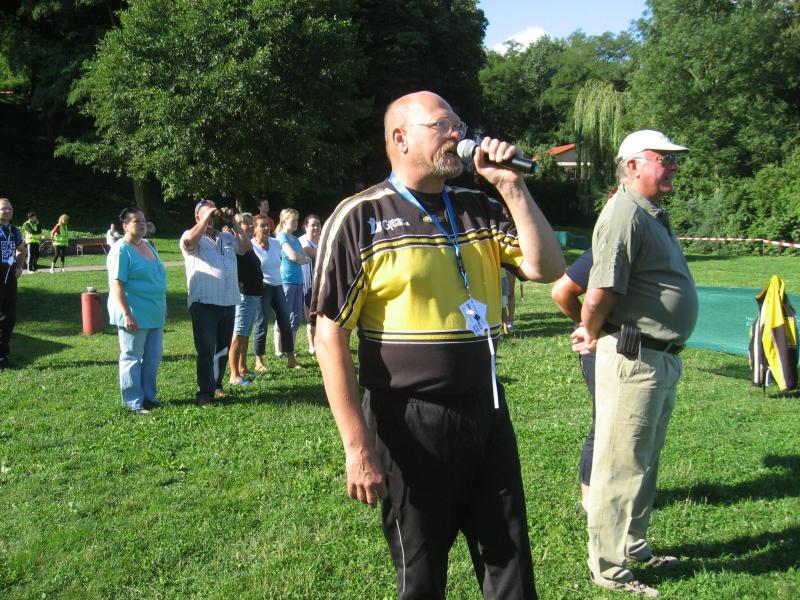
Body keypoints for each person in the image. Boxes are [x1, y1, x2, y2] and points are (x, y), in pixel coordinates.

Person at [312, 91, 564, 599]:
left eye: (459, 125)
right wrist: (357, 447)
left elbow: (547, 268)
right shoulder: (360, 216)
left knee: (510, 563)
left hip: (487, 409)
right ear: (400, 138)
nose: (456, 134)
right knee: (422, 574)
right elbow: (328, 336)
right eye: (442, 125)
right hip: (408, 419)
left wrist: (512, 187)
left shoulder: (478, 207)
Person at [571, 130, 697, 598]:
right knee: (619, 465)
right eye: (664, 159)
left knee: (643, 461)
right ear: (632, 165)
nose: (673, 167)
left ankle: (634, 546)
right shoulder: (624, 212)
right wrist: (588, 328)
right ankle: (608, 569)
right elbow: (600, 289)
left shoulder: (649, 213)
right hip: (635, 357)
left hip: (658, 358)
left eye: (673, 159)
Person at [180, 199, 252, 406]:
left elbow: (246, 247)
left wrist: (233, 221)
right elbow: (188, 244)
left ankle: (217, 385)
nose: (212, 216)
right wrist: (205, 220)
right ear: (197, 217)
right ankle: (205, 392)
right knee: (206, 349)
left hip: (228, 301)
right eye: (206, 213)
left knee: (222, 348)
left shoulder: (226, 237)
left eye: (214, 212)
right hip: (204, 302)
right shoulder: (191, 235)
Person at [107, 208, 167, 414]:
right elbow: (117, 284)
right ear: (125, 226)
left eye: (143, 220)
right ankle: (133, 402)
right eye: (136, 221)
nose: (142, 224)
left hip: (154, 312)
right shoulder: (121, 249)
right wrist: (126, 314)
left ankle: (149, 396)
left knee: (153, 357)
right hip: (134, 313)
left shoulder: (148, 245)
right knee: (132, 356)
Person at [550, 248, 595, 515]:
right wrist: (589, 327)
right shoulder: (612, 241)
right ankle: (589, 501)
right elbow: (561, 292)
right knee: (605, 423)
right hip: (604, 351)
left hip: (638, 351)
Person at [251, 214, 299, 370]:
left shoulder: (276, 243)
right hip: (262, 289)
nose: (266, 228)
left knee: (285, 322)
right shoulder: (251, 246)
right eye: (262, 225)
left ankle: (291, 359)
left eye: (267, 225)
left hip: (278, 286)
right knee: (262, 324)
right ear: (254, 228)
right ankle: (259, 361)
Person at [227, 212, 263, 385]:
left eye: (250, 223)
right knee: (238, 334)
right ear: (237, 226)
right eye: (245, 223)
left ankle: (243, 368)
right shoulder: (236, 245)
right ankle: (234, 375)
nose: (249, 226)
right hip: (244, 294)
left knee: (246, 333)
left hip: (253, 294)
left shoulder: (247, 245)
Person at [273, 208, 309, 361]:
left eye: (297, 220)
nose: (296, 223)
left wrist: (300, 258)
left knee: (296, 316)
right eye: (293, 220)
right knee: (284, 315)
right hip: (286, 280)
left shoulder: (295, 239)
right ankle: (278, 350)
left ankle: (291, 349)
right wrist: (300, 258)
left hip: (299, 281)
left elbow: (304, 258)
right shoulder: (281, 237)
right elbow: (293, 256)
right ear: (284, 221)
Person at [0, 198, 26, 370]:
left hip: (9, 278)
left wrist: (20, 266)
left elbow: (21, 249)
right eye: (3, 208)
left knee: (9, 318)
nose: (7, 211)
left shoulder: (14, 231)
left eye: (9, 208)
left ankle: (2, 355)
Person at [299, 213, 321, 354]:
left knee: (320, 314)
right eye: (313, 225)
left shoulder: (321, 239)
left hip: (320, 280)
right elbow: (314, 254)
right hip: (307, 281)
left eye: (318, 225)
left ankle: (319, 343)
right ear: (306, 226)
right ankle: (311, 346)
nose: (316, 228)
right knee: (311, 314)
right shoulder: (303, 241)